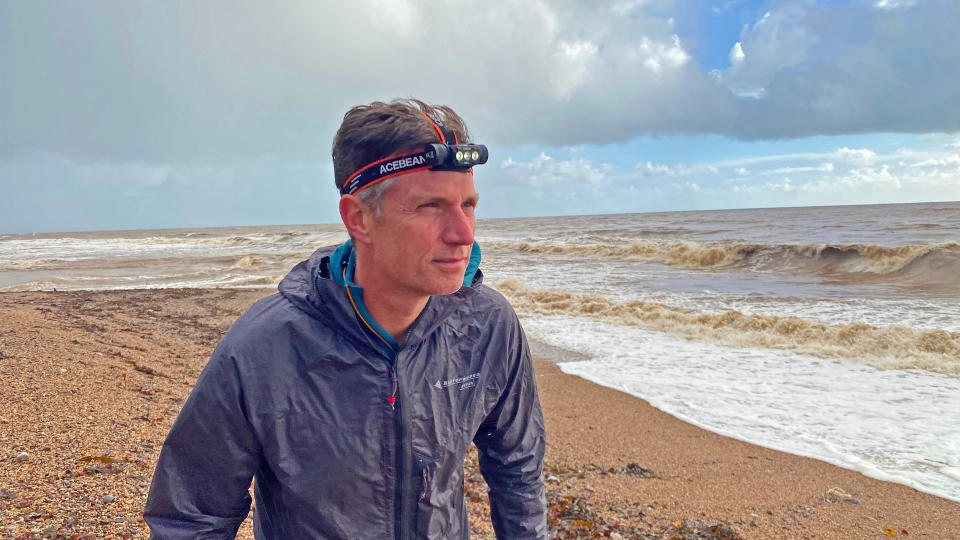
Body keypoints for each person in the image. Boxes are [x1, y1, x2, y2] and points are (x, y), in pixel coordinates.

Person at [143, 99, 547, 539]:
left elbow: (518, 471)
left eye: (468, 205)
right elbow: (191, 518)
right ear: (359, 219)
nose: (463, 233)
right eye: (431, 207)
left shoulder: (487, 325)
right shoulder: (264, 347)